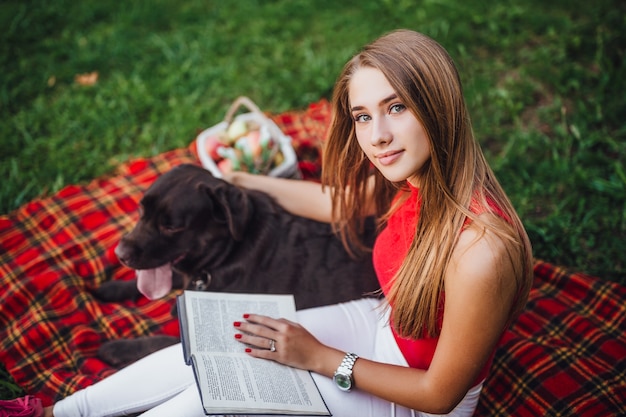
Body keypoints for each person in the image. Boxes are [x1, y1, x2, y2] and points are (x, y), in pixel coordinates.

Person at [8, 28, 532, 417]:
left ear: (439, 106)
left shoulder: (482, 251)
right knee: (224, 342)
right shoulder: (414, 179)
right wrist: (248, 183)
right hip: (381, 325)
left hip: (415, 397)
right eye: (363, 116)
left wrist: (320, 358)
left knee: (226, 391)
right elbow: (338, 203)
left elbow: (438, 395)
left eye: (396, 107)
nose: (376, 137)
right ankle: (57, 413)